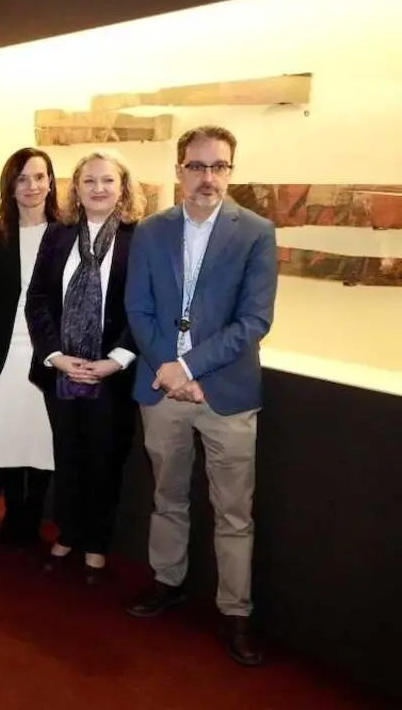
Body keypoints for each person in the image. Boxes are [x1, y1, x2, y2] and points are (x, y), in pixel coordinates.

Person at [124, 125, 277, 666]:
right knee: (168, 496)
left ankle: (236, 612)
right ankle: (168, 582)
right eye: (197, 166)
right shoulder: (149, 231)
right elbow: (137, 308)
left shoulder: (256, 232)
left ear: (231, 172)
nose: (208, 177)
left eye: (219, 167)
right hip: (161, 391)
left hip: (226, 395)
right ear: (179, 170)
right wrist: (169, 371)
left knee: (234, 513)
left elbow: (254, 321)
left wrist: (188, 367)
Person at [25, 150, 142, 584]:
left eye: (108, 181)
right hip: (62, 373)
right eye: (88, 181)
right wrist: (55, 355)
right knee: (69, 456)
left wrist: (116, 360)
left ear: (123, 188)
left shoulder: (139, 239)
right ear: (75, 188)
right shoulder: (56, 237)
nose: (98, 189)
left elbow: (146, 308)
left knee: (105, 461)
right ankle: (68, 533)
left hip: (112, 376)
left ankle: (96, 543)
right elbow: (37, 301)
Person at [0, 148, 59, 549]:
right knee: (7, 431)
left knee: (43, 435)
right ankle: (12, 511)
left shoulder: (67, 232)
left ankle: (33, 513)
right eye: (22, 179)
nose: (32, 187)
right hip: (6, 350)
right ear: (10, 186)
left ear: (51, 182)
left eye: (40, 177)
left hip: (48, 350)